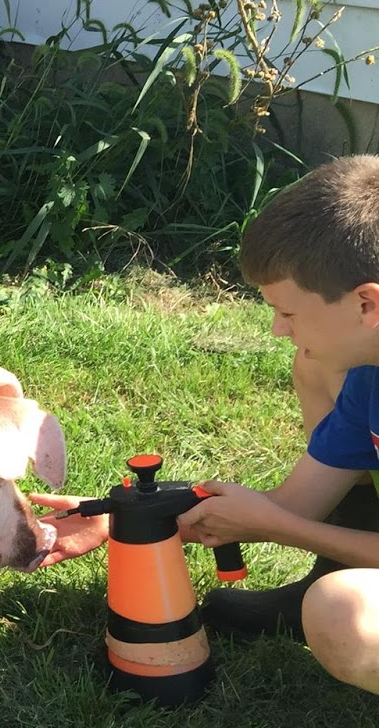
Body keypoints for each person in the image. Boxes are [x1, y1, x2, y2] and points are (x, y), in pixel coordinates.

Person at [32, 154, 379, 693]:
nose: (275, 330)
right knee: (314, 361)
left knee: (343, 618)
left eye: (288, 312)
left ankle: (339, 586)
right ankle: (332, 571)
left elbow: (282, 521)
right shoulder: (369, 375)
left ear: (367, 304)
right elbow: (295, 505)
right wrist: (130, 520)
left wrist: (276, 528)